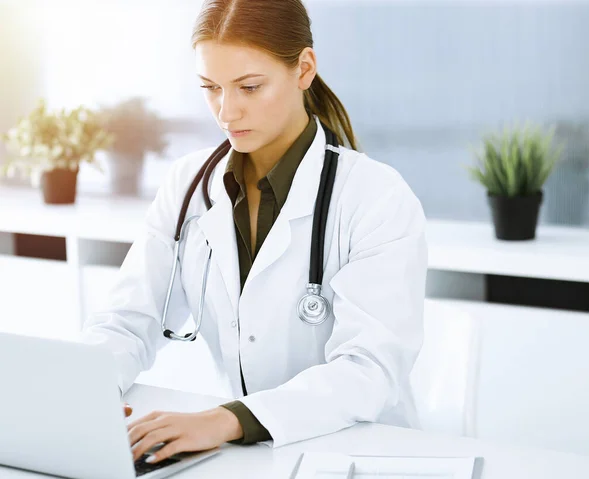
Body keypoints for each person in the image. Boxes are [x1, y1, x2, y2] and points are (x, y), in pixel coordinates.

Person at [79, 0, 428, 466]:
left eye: (249, 87)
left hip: (360, 454)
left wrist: (228, 419)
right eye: (210, 88)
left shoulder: (375, 197)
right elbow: (125, 321)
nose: (226, 112)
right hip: (251, 457)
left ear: (304, 68)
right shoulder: (189, 186)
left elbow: (368, 370)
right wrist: (81, 393)